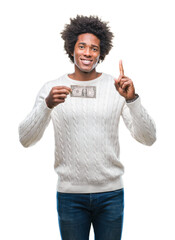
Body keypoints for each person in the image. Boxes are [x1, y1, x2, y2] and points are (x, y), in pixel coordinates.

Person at [19, 15, 156, 240]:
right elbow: (25, 139)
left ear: (100, 53)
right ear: (71, 48)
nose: (87, 53)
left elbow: (149, 138)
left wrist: (133, 100)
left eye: (94, 48)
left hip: (111, 195)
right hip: (70, 197)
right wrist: (47, 105)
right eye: (82, 46)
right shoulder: (52, 88)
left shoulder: (116, 87)